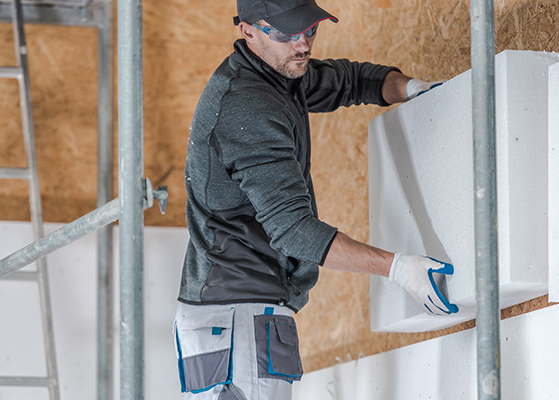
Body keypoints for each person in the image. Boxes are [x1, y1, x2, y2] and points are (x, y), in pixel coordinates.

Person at [174, 1, 458, 399]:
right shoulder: (247, 107)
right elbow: (294, 232)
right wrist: (397, 269)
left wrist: (412, 89)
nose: (303, 44)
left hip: (246, 308)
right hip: (236, 313)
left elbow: (349, 80)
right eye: (288, 34)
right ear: (249, 32)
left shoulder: (278, 70)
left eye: (309, 30)